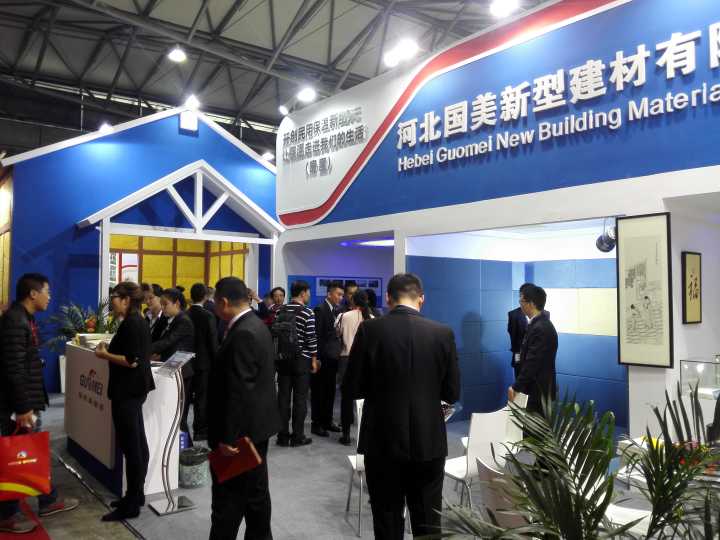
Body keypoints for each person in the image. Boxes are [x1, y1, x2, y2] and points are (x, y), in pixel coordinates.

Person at [343, 273, 460, 539]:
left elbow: (352, 388)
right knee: (428, 522)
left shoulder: (370, 330)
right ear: (422, 298)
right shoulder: (443, 333)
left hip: (381, 441)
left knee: (386, 520)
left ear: (388, 298)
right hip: (428, 440)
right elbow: (452, 392)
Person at [0, 274, 79, 534]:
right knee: (18, 454)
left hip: (26, 401)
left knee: (28, 451)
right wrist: (23, 408)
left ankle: (47, 499)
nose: (49, 296)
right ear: (33, 294)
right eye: (47, 291)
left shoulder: (24, 318)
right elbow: (13, 369)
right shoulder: (15, 321)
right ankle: (9, 514)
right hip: (18, 406)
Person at [208, 277, 280, 540]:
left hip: (241, 436)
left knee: (229, 502)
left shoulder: (244, 333)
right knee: (255, 497)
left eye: (216, 302)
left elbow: (238, 390)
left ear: (224, 302)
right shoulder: (255, 325)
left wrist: (228, 438)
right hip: (255, 428)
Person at [94, 282, 155, 521]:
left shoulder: (133, 323)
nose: (112, 302)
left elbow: (132, 360)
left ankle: (131, 503)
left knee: (132, 447)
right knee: (137, 443)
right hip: (133, 390)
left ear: (126, 300)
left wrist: (104, 354)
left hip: (127, 391)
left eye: (115, 298)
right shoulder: (136, 321)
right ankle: (135, 495)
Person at [274, 280, 318, 447]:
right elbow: (311, 337)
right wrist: (314, 359)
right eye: (308, 292)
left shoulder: (281, 310)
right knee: (300, 400)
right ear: (303, 293)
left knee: (283, 399)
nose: (309, 295)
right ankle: (298, 436)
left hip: (283, 359)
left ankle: (282, 436)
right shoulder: (307, 312)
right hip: (301, 360)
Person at [508, 284, 558, 416]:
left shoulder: (541, 328)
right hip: (535, 388)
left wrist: (516, 386)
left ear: (531, 304)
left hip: (538, 390)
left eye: (522, 300)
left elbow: (533, 362)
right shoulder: (537, 324)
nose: (520, 304)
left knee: (535, 426)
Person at [151, 288, 195, 435]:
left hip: (181, 370)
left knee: (179, 414)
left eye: (165, 304)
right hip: (170, 367)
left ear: (177, 303)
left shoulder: (184, 321)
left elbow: (168, 341)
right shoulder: (169, 319)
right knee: (170, 410)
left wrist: (143, 351)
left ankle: (185, 445)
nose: (162, 308)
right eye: (161, 304)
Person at [335, 289, 374, 445]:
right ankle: (366, 435)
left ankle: (345, 435)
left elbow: (337, 333)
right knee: (366, 398)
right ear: (367, 301)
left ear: (352, 301)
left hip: (346, 359)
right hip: (366, 362)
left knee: (346, 398)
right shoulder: (372, 319)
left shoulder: (344, 316)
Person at [311, 281, 344, 438]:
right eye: (338, 294)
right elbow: (317, 336)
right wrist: (316, 358)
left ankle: (327, 421)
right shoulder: (320, 309)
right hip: (322, 358)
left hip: (332, 359)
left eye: (342, 295)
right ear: (329, 294)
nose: (341, 297)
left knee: (330, 391)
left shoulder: (336, 310)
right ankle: (317, 424)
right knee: (319, 392)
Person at [188, 283, 219, 441]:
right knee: (202, 397)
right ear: (206, 296)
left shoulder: (185, 314)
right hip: (204, 362)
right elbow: (213, 341)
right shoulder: (208, 316)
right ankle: (200, 430)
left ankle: (183, 430)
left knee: (186, 397)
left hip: (187, 361)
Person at [507, 283, 532, 378]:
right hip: (519, 356)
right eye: (520, 296)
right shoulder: (513, 315)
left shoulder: (545, 314)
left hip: (538, 359)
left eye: (523, 296)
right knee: (519, 382)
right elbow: (513, 339)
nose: (520, 299)